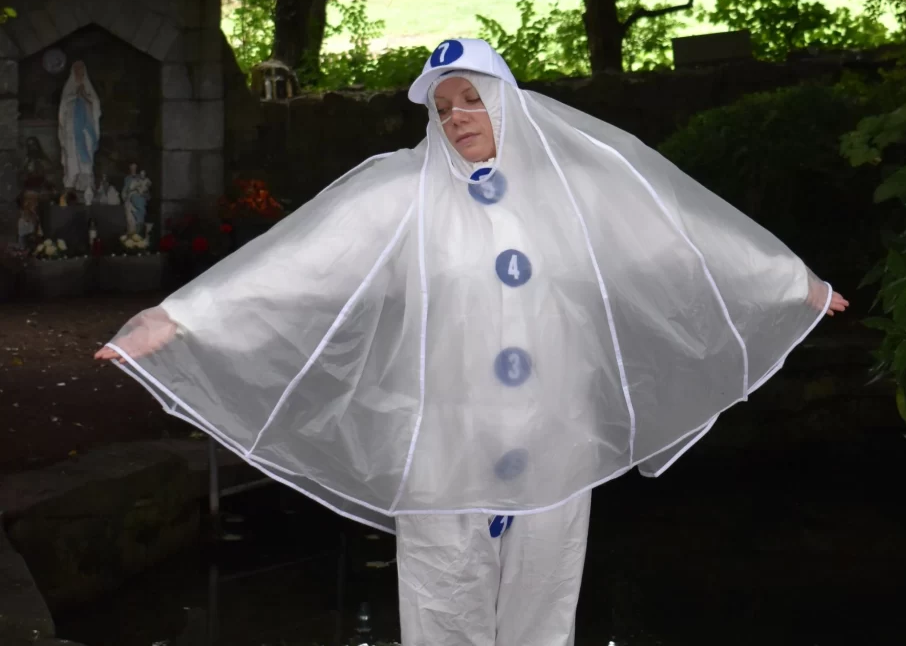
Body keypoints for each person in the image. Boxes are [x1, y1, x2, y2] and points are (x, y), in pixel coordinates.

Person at [95, 38, 848, 646]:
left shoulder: (575, 192)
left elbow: (676, 239)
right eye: (444, 106)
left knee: (543, 610)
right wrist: (181, 319)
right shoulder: (400, 194)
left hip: (556, 440)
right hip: (444, 447)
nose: (456, 116)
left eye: (471, 99)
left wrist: (787, 284)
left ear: (507, 101)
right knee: (442, 606)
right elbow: (301, 264)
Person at [57, 60, 101, 197]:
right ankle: (71, 186)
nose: (79, 73)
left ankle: (86, 186)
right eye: (76, 70)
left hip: (86, 131)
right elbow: (63, 107)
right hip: (71, 131)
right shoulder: (68, 88)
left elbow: (96, 106)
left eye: (81, 70)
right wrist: (75, 95)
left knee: (86, 156)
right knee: (71, 156)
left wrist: (85, 97)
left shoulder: (88, 88)